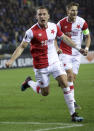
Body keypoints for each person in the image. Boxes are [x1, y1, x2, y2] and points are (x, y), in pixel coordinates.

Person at [5, 6, 85, 122]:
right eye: (39, 14)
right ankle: (29, 82)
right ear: (36, 17)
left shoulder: (53, 27)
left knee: (65, 83)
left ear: (48, 16)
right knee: (45, 93)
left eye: (44, 14)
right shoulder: (31, 31)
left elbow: (64, 38)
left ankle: (73, 114)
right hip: (40, 66)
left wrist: (78, 48)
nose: (42, 16)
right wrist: (11, 60)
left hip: (55, 62)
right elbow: (22, 46)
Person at [57, 2, 91, 109]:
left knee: (72, 78)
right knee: (70, 75)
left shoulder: (82, 22)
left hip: (77, 54)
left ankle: (62, 80)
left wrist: (86, 48)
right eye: (72, 10)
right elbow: (53, 37)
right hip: (65, 53)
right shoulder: (61, 23)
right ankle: (73, 102)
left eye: (76, 10)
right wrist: (57, 48)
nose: (74, 12)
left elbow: (88, 36)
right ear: (67, 11)